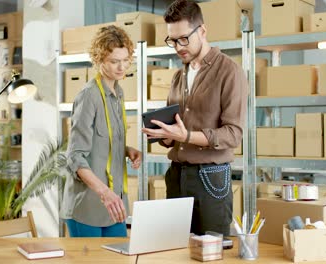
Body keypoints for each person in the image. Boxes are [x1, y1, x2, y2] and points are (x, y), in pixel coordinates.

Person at [142, 0, 247, 237]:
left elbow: (234, 134)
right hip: (177, 174)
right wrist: (165, 136)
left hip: (211, 177)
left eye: (183, 39)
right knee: (176, 250)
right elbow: (175, 125)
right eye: (172, 41)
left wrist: (186, 136)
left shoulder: (229, 71)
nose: (178, 47)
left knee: (212, 250)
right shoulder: (179, 76)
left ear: (202, 31)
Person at [60, 25, 142, 237]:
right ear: (99, 60)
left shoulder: (118, 92)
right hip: (87, 207)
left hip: (114, 206)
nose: (121, 67)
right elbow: (75, 157)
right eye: (114, 61)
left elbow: (102, 141)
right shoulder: (89, 96)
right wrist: (104, 193)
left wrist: (125, 149)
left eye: (125, 60)